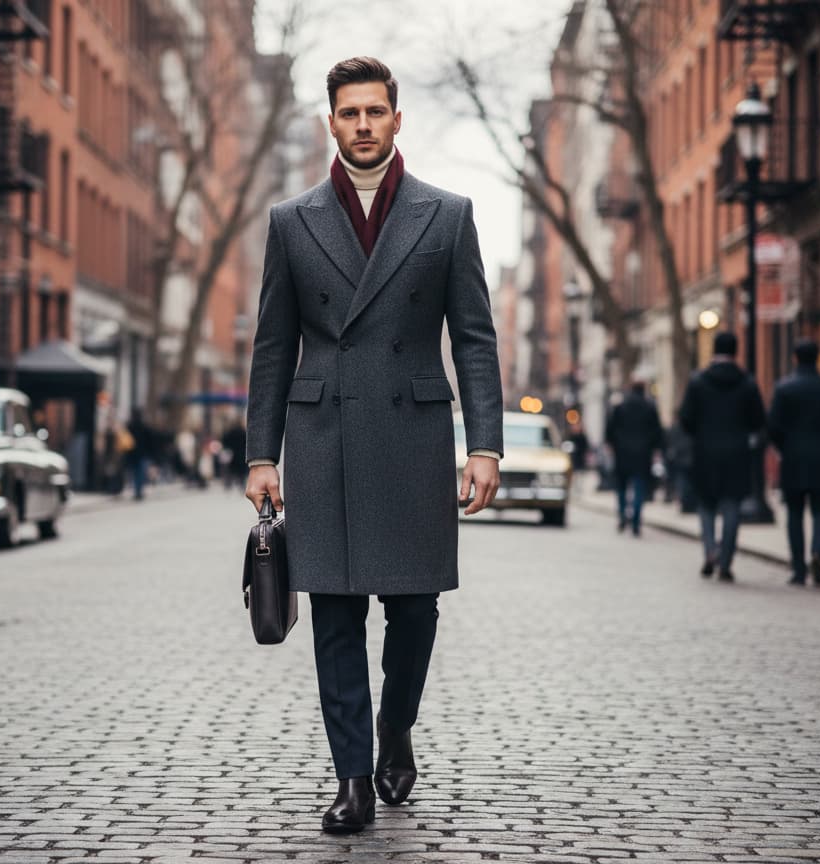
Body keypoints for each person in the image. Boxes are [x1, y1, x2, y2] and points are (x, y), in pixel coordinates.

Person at [244, 57, 503, 834]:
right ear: (332, 122)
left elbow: (477, 339)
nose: (362, 125)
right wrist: (262, 454)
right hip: (324, 437)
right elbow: (271, 346)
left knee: (416, 608)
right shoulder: (292, 221)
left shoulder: (447, 214)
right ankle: (352, 776)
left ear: (397, 119)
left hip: (414, 434)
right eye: (348, 113)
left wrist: (485, 444)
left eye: (375, 112)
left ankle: (396, 724)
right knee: (334, 612)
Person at [678, 332, 766, 581]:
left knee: (706, 507)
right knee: (731, 508)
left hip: (705, 453)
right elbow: (759, 420)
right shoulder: (747, 383)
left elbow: (685, 419)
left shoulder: (698, 382)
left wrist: (700, 434)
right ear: (736, 350)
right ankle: (725, 561)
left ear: (714, 350)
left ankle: (710, 551)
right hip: (737, 454)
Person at [768, 341, 820, 586]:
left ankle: (798, 568)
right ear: (818, 358)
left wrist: (785, 447)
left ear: (795, 358)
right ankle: (817, 552)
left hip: (793, 458)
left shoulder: (784, 389)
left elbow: (772, 426)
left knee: (794, 514)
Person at [603, 381, 662, 536]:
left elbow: (610, 429)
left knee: (622, 488)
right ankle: (636, 520)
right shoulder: (650, 408)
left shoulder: (620, 407)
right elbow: (657, 432)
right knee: (639, 488)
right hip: (643, 454)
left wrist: (612, 445)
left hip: (622, 453)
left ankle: (623, 515)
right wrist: (655, 450)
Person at [124, 408, 151, 501]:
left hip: (132, 453)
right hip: (141, 454)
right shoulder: (144, 426)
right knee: (140, 473)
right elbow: (149, 441)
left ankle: (137, 491)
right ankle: (139, 491)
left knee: (135, 473)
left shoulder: (129, 426)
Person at [221, 419, 248, 491]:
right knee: (241, 472)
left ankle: (228, 484)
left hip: (232, 454)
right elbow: (247, 443)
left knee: (231, 470)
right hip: (242, 454)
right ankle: (242, 484)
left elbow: (225, 441)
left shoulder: (230, 432)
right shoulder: (243, 432)